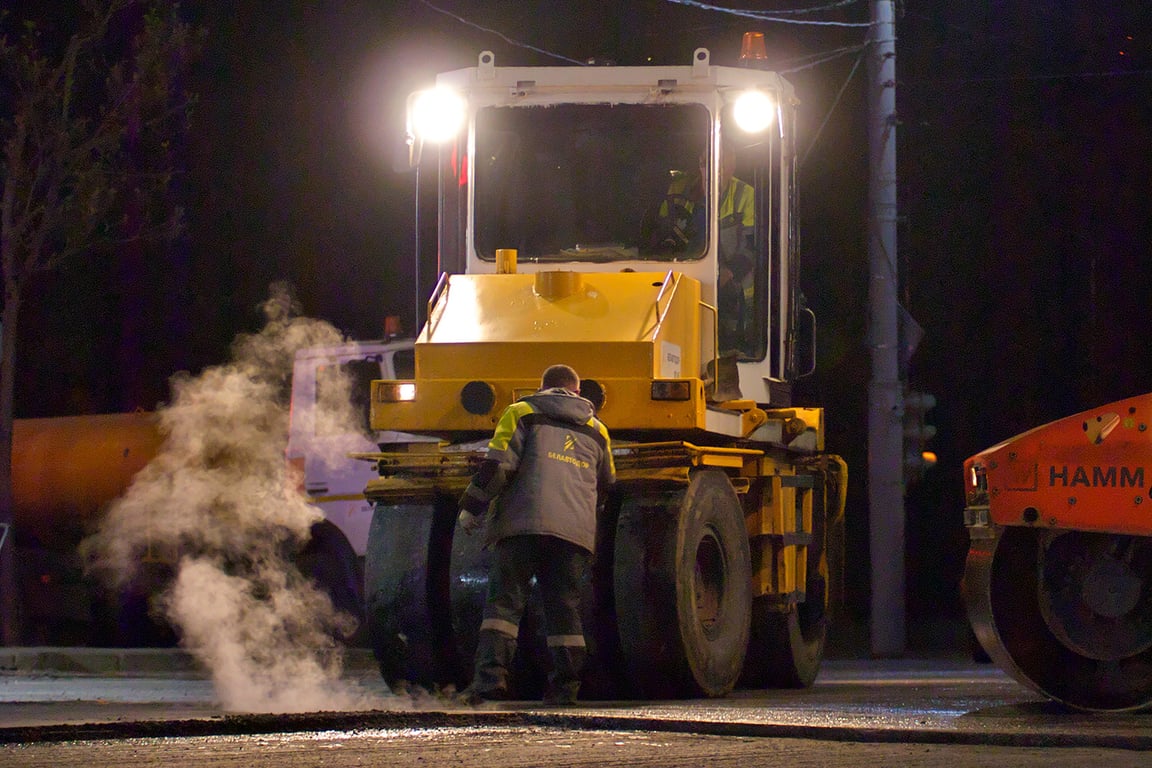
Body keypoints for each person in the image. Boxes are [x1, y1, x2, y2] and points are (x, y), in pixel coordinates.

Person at [456, 364, 615, 705]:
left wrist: (472, 505)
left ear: (542, 387)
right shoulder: (598, 430)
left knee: (504, 607)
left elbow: (498, 466)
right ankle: (565, 690)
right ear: (576, 391)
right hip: (573, 535)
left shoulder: (522, 412)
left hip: (522, 527)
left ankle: (489, 684)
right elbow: (607, 484)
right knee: (565, 612)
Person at [647, 142, 755, 350]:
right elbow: (660, 234)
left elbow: (753, 246)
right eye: (706, 163)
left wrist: (730, 273)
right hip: (680, 285)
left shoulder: (745, 195)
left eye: (722, 164)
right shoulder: (678, 190)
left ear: (732, 167)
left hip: (734, 293)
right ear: (699, 165)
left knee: (724, 348)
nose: (714, 170)